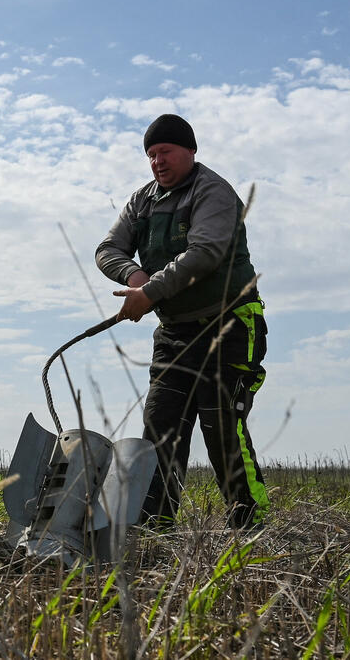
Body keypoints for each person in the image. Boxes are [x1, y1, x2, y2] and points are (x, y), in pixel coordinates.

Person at [95, 114, 269, 530]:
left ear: (190, 151)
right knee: (159, 431)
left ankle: (251, 527)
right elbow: (107, 248)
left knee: (222, 423)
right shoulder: (143, 200)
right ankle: (156, 530)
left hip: (230, 325)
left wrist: (150, 293)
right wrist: (134, 277)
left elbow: (205, 252)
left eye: (165, 151)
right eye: (151, 154)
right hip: (174, 333)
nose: (157, 161)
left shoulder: (213, 192)